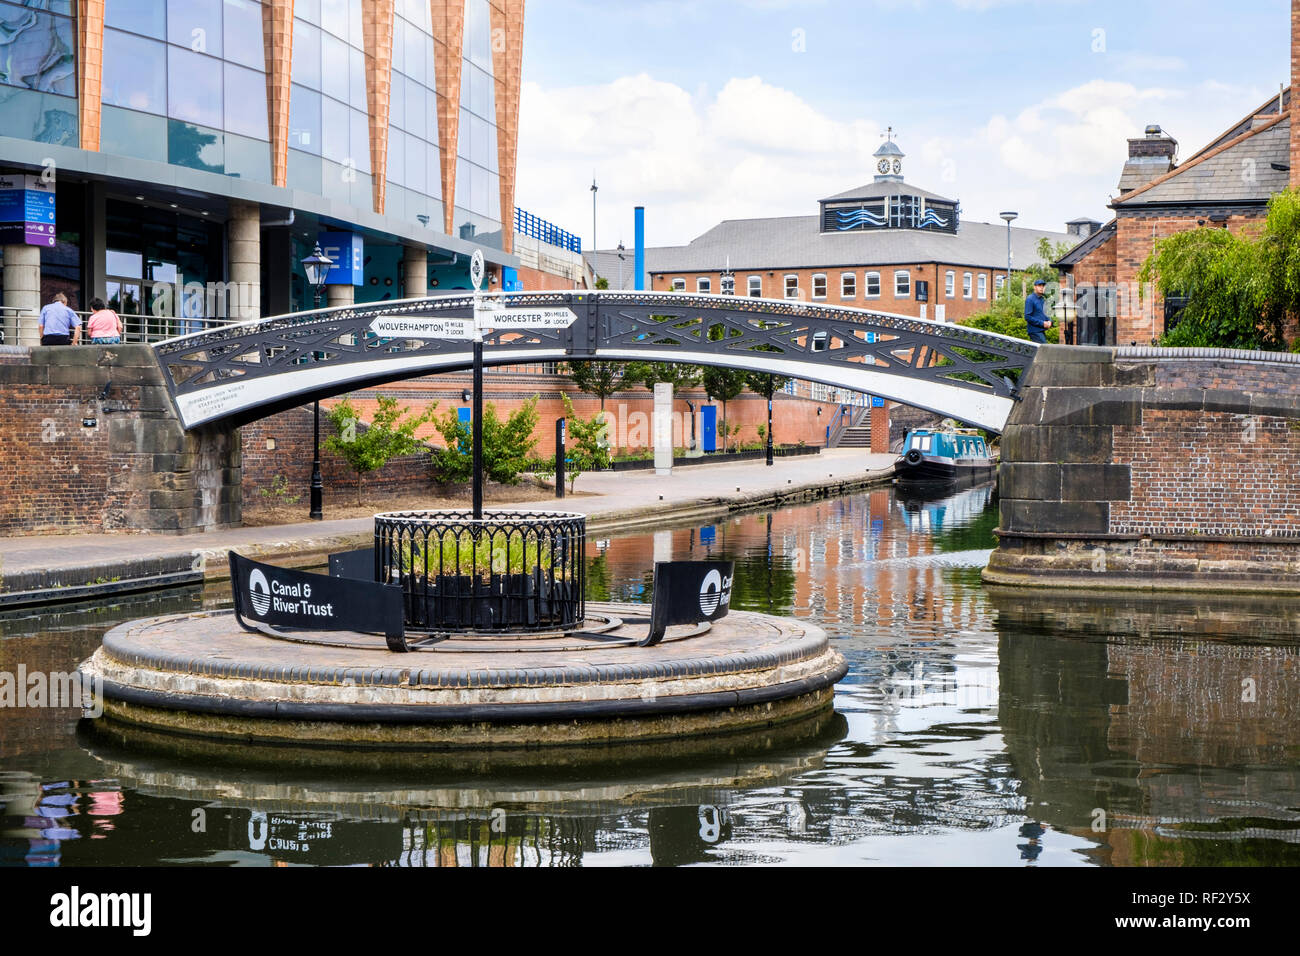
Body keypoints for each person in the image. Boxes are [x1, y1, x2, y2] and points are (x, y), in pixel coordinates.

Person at [1024, 278, 1052, 344]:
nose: (1041, 288)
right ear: (1034, 287)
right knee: (1045, 349)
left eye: (1043, 286)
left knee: (1041, 351)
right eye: (1039, 286)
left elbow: (1045, 313)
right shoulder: (1030, 299)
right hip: (1034, 331)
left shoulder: (1042, 299)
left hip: (1041, 331)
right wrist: (1042, 323)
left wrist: (1049, 321)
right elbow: (1027, 317)